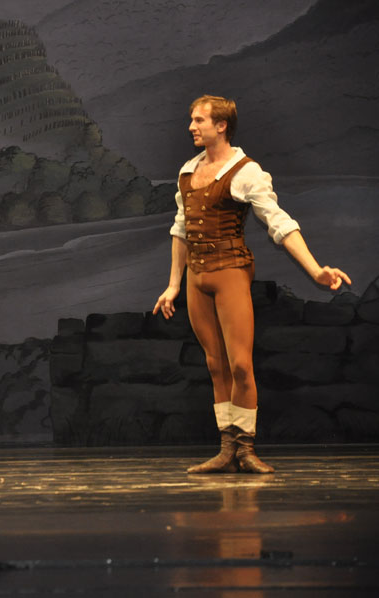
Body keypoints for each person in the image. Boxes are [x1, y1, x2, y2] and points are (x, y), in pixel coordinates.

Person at [153, 95, 350, 474]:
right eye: (192, 120)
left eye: (199, 120)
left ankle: (246, 447)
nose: (192, 127)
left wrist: (315, 271)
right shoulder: (188, 171)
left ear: (221, 125)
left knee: (241, 365)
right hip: (197, 277)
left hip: (230, 272)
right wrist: (174, 284)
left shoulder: (245, 171)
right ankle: (226, 448)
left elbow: (279, 222)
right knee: (215, 365)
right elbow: (181, 230)